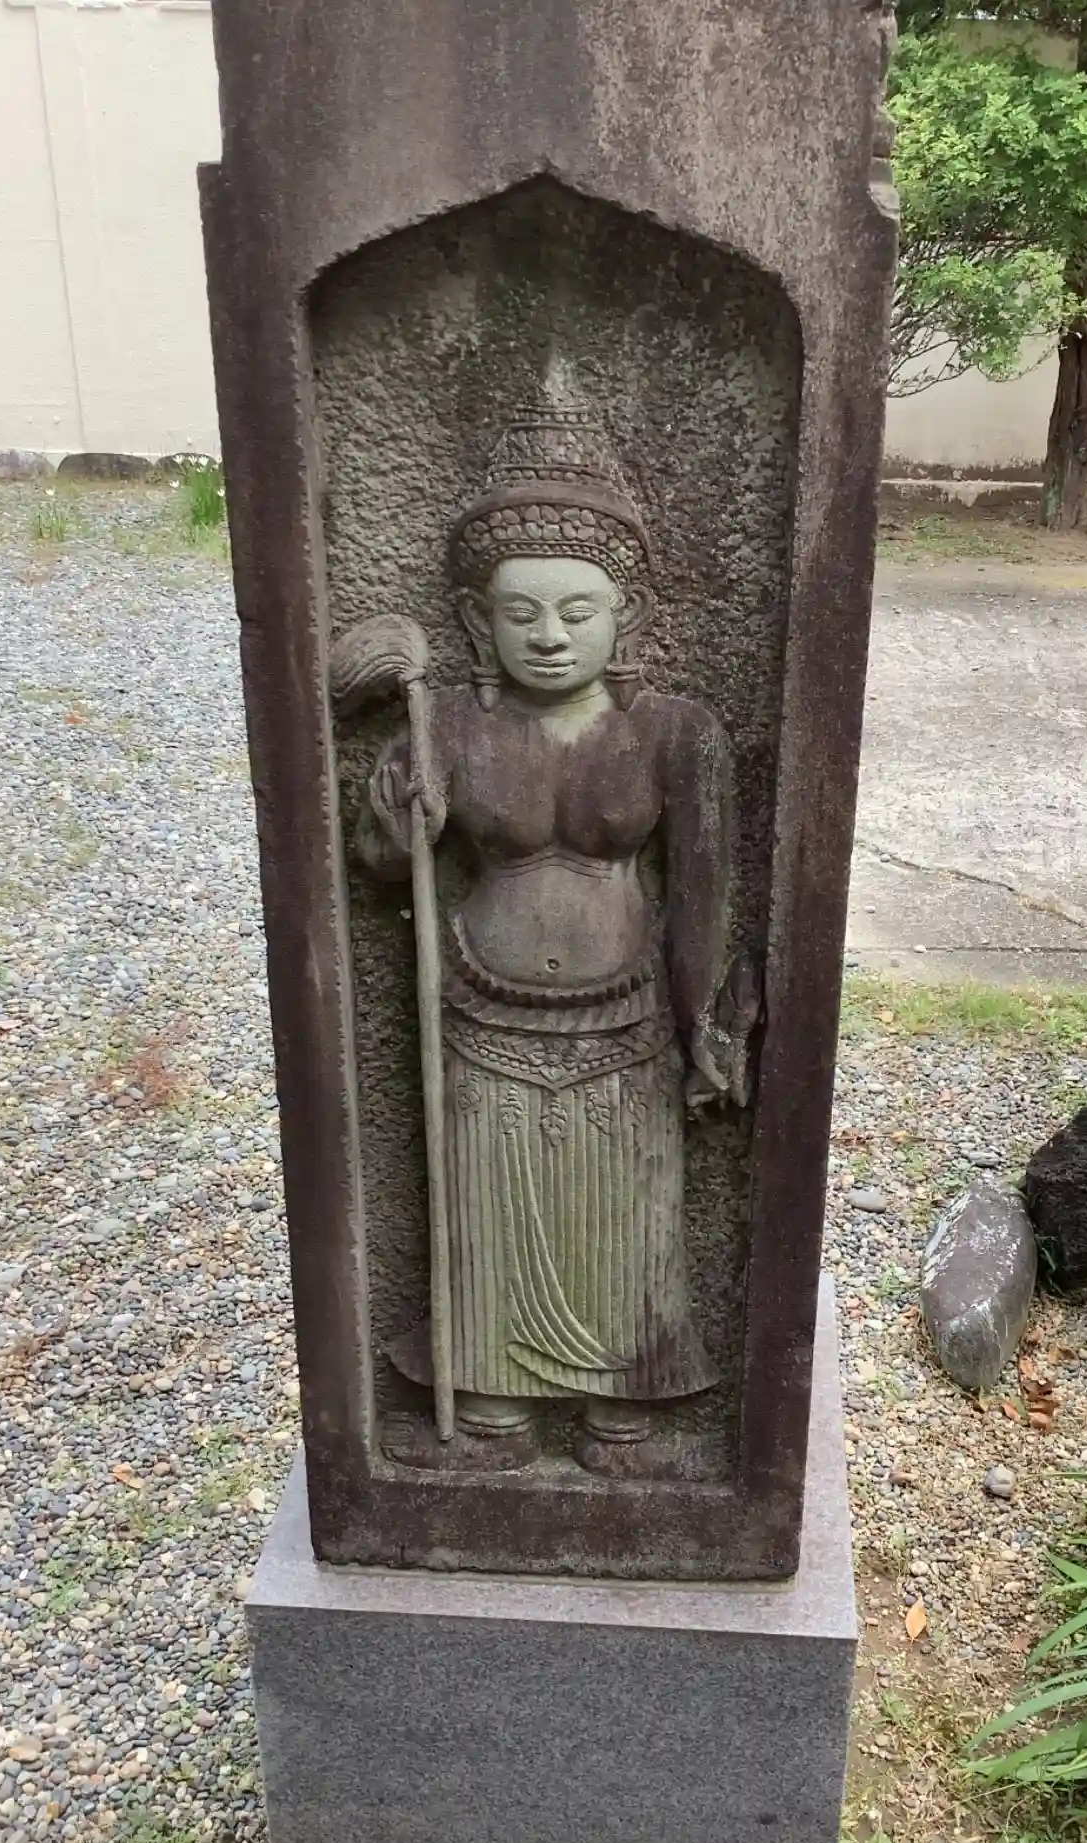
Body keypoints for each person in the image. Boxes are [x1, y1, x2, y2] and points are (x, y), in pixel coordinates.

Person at [355, 409, 748, 1476]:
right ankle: (490, 1419)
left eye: (578, 611)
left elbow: (706, 894)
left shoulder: (674, 732)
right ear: (477, 623)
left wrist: (709, 1023)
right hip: (482, 1012)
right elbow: (384, 865)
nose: (549, 635)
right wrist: (398, 822)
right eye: (520, 612)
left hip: (628, 1020)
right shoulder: (449, 726)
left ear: (629, 614)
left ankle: (626, 1419)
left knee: (626, 1221)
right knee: (487, 1218)